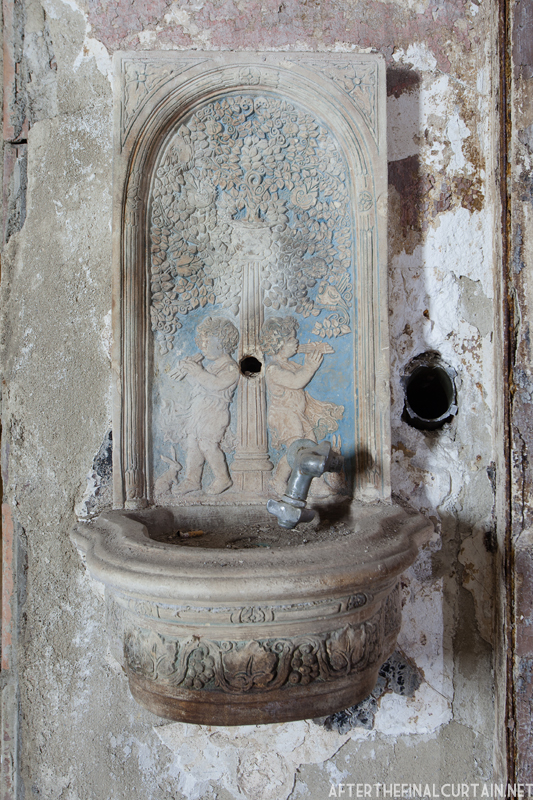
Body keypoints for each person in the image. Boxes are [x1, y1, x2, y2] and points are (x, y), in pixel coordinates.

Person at [259, 316, 344, 495]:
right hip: (284, 416)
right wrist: (310, 368)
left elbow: (301, 374)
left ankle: (316, 484)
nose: (296, 341)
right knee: (296, 449)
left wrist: (311, 350)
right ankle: (279, 480)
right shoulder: (273, 369)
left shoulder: (288, 363)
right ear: (278, 343)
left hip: (296, 414)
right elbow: (297, 381)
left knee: (311, 446)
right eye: (291, 338)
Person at [170, 316, 239, 495]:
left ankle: (223, 478)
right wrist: (189, 370)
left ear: (223, 342)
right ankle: (192, 480)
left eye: (208, 342)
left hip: (215, 414)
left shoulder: (231, 367)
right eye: (202, 341)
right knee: (193, 443)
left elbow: (215, 384)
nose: (202, 346)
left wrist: (198, 371)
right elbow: (199, 384)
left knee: (208, 445)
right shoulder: (210, 367)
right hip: (201, 412)